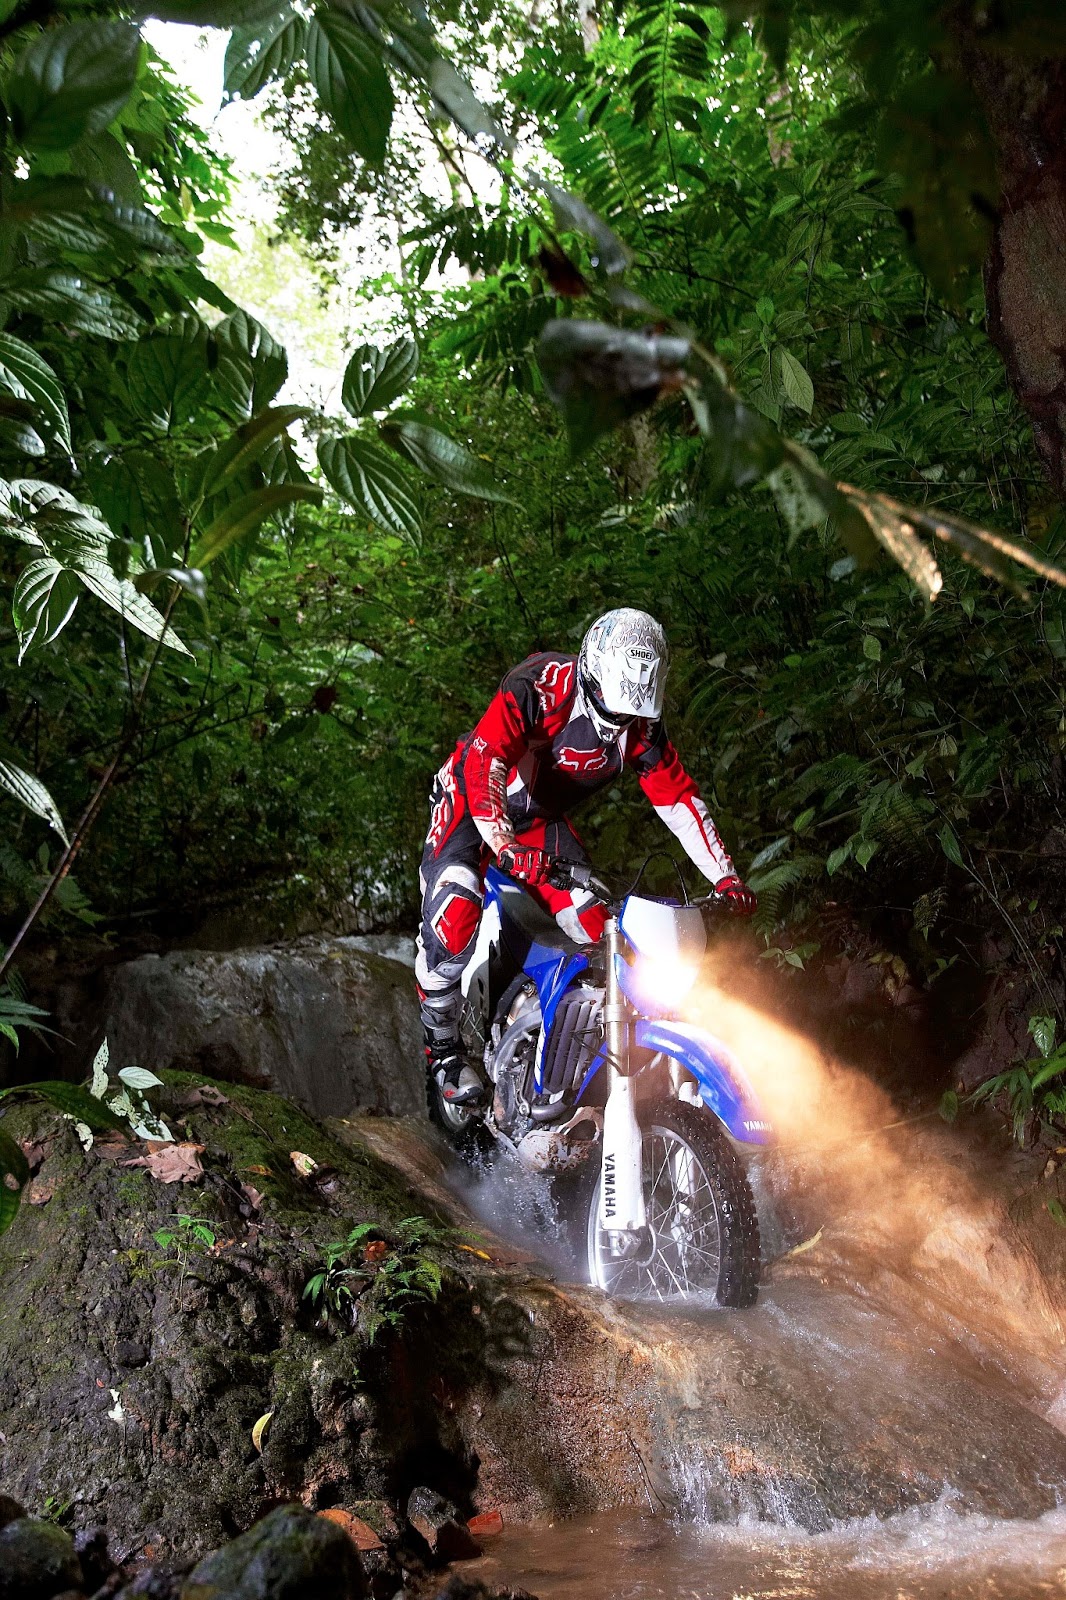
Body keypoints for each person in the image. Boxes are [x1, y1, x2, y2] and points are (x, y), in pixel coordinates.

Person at [415, 607, 757, 1106]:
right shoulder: (538, 685)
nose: (619, 723)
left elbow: (678, 799)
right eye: (613, 708)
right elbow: (486, 757)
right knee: (454, 913)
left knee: (604, 933)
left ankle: (566, 1069)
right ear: (590, 672)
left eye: (632, 714)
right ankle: (442, 1050)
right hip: (471, 802)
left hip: (539, 824)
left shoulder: (640, 727)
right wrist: (503, 844)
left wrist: (726, 878)